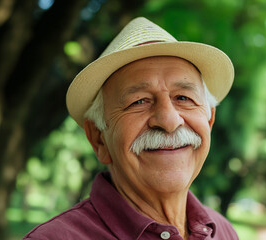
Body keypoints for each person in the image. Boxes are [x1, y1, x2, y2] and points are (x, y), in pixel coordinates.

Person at [24, 17, 238, 240]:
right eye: (139, 101)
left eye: (183, 97)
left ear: (209, 121)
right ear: (99, 138)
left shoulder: (223, 232)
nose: (168, 120)